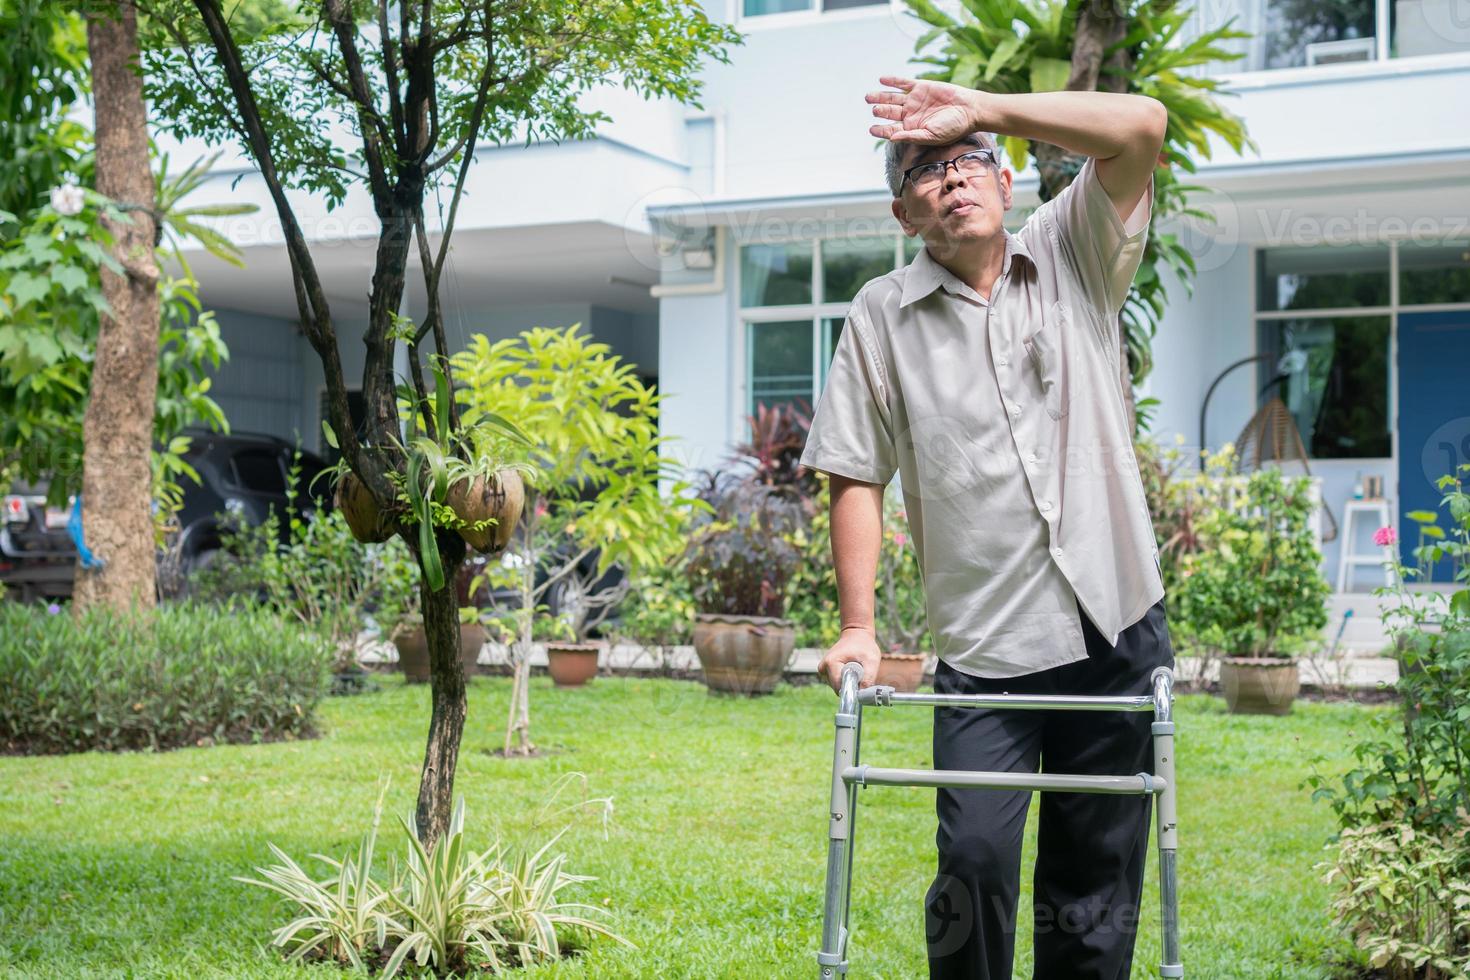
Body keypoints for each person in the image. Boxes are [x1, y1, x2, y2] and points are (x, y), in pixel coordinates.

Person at [800, 76, 1175, 979]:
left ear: (1008, 184)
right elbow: (855, 469)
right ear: (904, 213)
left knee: (1094, 890)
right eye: (928, 170)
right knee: (971, 863)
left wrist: (982, 107)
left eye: (970, 160)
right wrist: (859, 626)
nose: (954, 177)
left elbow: (1144, 126)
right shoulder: (879, 315)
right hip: (985, 651)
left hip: (1115, 627)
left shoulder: (1076, 251)